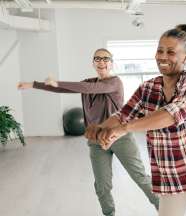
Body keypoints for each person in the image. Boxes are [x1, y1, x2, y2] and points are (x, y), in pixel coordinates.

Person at [85, 25, 186, 216]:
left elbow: (173, 114)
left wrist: (123, 129)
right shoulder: (147, 88)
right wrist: (100, 128)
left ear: (185, 58)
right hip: (173, 169)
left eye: (171, 52)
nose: (162, 56)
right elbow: (123, 115)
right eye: (160, 51)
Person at [17, 48, 159, 216]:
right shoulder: (88, 83)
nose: (102, 62)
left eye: (106, 59)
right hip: (96, 139)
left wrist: (58, 82)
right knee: (102, 186)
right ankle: (109, 213)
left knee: (140, 178)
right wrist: (34, 84)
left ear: (111, 63)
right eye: (97, 59)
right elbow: (65, 89)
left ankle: (163, 208)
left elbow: (91, 88)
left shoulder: (115, 83)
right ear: (93, 63)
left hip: (120, 137)